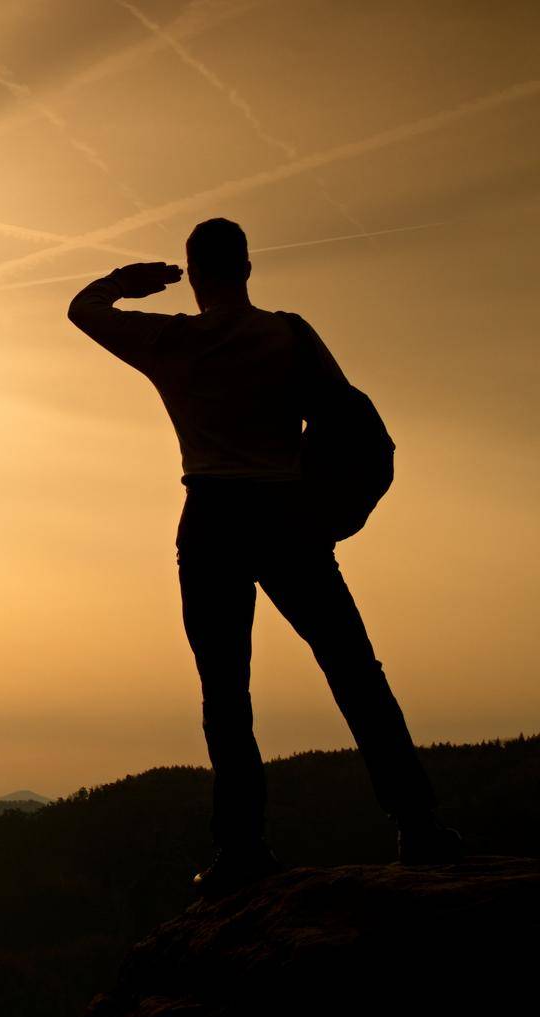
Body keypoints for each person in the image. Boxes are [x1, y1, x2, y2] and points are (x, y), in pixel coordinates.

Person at [66, 218, 463, 898]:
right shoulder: (288, 334)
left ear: (194, 276)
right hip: (288, 512)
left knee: (226, 691)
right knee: (353, 670)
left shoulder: (171, 341)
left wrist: (122, 284)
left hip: (212, 516)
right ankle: (418, 826)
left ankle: (243, 849)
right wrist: (333, 512)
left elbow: (83, 310)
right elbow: (350, 420)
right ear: (247, 267)